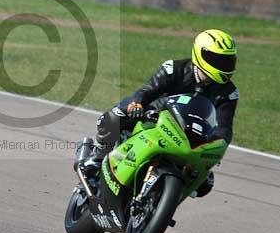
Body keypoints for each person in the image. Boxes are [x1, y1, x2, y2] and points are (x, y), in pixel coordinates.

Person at [78, 29, 239, 198]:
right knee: (115, 116)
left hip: (191, 136)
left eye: (228, 62)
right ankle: (96, 159)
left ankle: (157, 201)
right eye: (218, 60)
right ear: (200, 54)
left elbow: (224, 129)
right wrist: (138, 104)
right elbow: (147, 91)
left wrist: (216, 147)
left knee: (205, 183)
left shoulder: (229, 93)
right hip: (155, 115)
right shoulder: (174, 69)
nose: (224, 67)